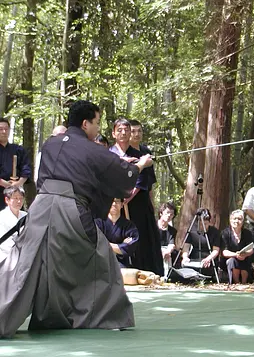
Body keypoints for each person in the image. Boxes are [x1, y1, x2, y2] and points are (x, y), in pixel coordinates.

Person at [0, 100, 154, 338]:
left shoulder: (50, 144)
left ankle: (49, 316)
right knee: (101, 256)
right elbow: (122, 175)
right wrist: (140, 165)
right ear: (85, 123)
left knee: (29, 263)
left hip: (40, 207)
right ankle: (102, 316)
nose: (98, 128)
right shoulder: (93, 150)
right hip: (69, 208)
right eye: (97, 122)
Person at [110, 118, 163, 276]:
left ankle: (147, 273)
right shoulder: (109, 154)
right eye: (120, 130)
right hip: (114, 204)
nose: (124, 133)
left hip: (137, 203)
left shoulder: (141, 155)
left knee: (142, 237)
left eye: (127, 129)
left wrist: (126, 196)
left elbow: (142, 182)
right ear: (114, 133)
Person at [95, 198, 139, 268]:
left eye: (117, 201)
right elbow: (95, 243)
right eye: (111, 201)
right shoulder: (98, 223)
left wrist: (104, 243)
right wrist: (120, 246)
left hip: (122, 265)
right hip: (100, 262)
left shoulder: (129, 226)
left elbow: (130, 247)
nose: (114, 204)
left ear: (122, 204)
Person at [0, 118, 31, 211]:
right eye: (0, 129)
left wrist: (18, 184)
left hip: (14, 192)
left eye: (6, 129)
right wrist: (4, 183)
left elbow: (26, 168)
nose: (4, 131)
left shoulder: (18, 150)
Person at [181, 208, 220, 278]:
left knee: (205, 270)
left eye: (205, 223)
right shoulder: (192, 230)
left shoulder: (215, 232)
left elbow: (216, 250)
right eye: (201, 224)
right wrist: (185, 257)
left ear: (209, 222)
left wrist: (208, 259)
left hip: (208, 257)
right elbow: (186, 246)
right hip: (194, 257)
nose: (203, 226)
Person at [220, 210, 254, 284]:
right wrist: (236, 255)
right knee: (232, 261)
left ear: (243, 221)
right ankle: (236, 283)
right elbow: (224, 252)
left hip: (244, 258)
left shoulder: (247, 233)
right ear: (230, 220)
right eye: (234, 218)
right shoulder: (225, 233)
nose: (237, 221)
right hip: (229, 259)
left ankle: (244, 283)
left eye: (239, 219)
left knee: (246, 260)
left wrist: (245, 254)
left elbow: (251, 249)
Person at [129, 119, 156, 205]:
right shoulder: (124, 153)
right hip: (130, 199)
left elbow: (150, 182)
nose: (137, 134)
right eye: (133, 131)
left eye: (139, 131)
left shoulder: (146, 151)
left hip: (145, 199)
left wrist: (152, 204)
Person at [0, 186, 27, 263]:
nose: (19, 201)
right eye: (15, 198)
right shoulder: (1, 217)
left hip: (24, 254)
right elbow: (4, 243)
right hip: (6, 257)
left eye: (21, 198)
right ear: (7, 200)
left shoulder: (26, 215)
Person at [157, 201, 178, 272]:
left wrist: (168, 251)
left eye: (171, 214)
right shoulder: (152, 227)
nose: (169, 216)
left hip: (166, 252)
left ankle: (167, 276)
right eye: (167, 213)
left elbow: (171, 244)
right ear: (161, 213)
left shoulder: (172, 230)